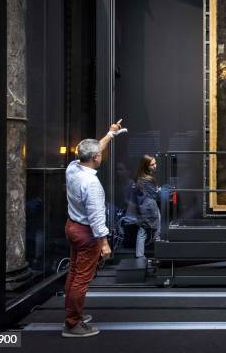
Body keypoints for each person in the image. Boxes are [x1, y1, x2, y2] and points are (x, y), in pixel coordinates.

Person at [62, 120, 127, 338]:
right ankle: (73, 323)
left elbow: (93, 148)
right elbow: (97, 219)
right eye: (99, 153)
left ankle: (73, 313)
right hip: (87, 233)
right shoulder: (92, 184)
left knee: (73, 273)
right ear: (96, 159)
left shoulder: (73, 167)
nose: (100, 154)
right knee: (82, 279)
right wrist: (105, 244)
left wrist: (110, 134)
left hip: (72, 226)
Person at [134, 154, 162, 259]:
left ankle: (140, 256)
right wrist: (158, 191)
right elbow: (155, 195)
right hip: (150, 207)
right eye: (152, 164)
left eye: (155, 163)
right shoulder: (146, 179)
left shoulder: (141, 177)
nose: (155, 166)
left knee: (142, 231)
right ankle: (158, 256)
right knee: (156, 231)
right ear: (146, 166)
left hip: (143, 207)